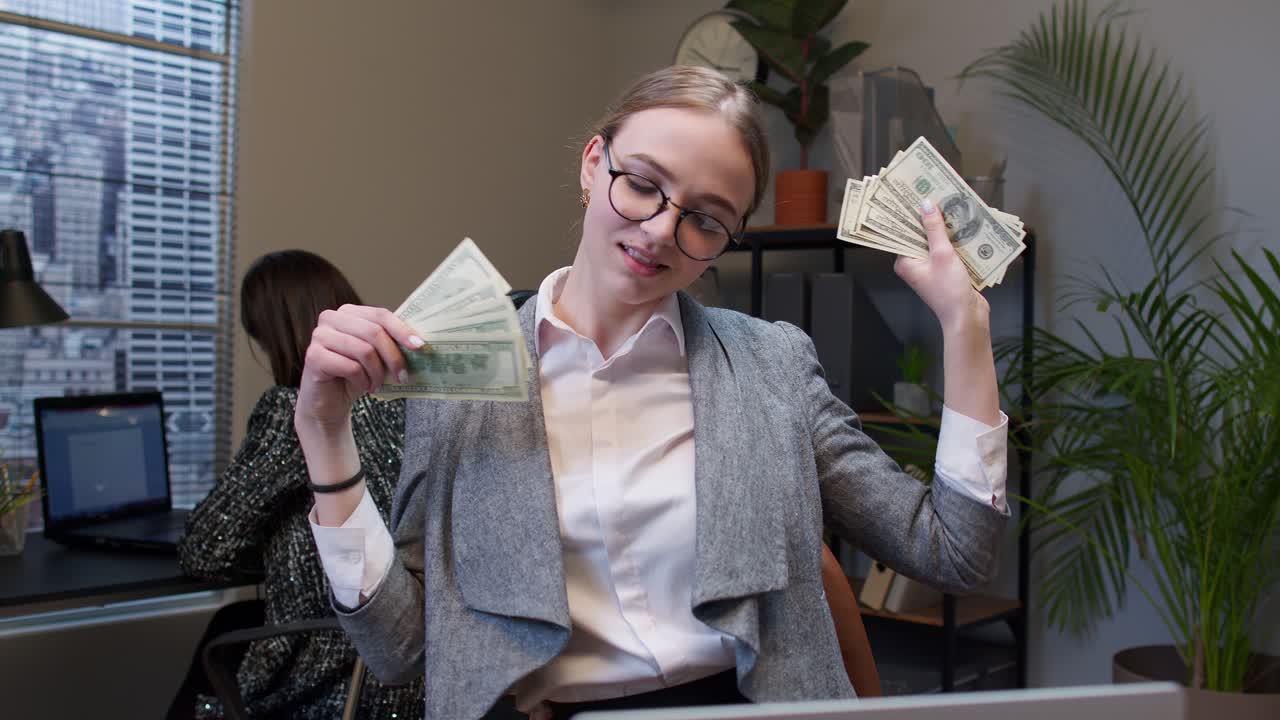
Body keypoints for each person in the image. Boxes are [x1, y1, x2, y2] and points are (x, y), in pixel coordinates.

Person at [299, 66, 1008, 720]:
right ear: (591, 165)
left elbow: (953, 551)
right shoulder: (458, 372)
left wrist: (964, 323)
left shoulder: (772, 366)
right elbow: (397, 648)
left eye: (705, 219)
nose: (660, 231)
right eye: (641, 184)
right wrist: (325, 435)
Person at [177, 250, 425, 719]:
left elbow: (206, 549)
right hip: (422, 677)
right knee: (229, 620)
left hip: (335, 670)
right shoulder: (410, 402)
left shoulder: (298, 415)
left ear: (271, 335)